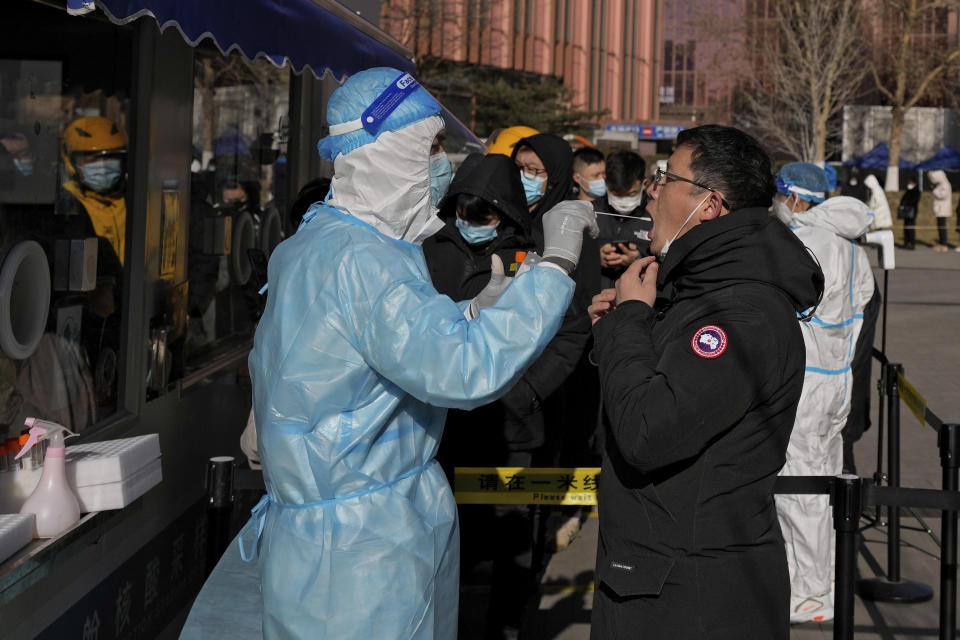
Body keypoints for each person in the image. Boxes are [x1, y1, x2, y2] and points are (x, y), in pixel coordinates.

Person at [242, 67, 598, 640]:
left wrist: (475, 312)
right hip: (363, 549)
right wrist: (555, 265)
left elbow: (322, 351)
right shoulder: (366, 262)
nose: (443, 163)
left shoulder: (320, 239)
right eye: (431, 146)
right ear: (385, 151)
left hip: (334, 532)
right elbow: (463, 370)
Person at [587, 125, 823, 640]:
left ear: (710, 205)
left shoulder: (742, 310)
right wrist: (625, 328)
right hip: (659, 580)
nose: (652, 191)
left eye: (666, 177)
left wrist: (630, 321)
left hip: (691, 596)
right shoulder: (701, 290)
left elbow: (648, 430)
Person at [422, 153, 544, 639]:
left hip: (508, 426)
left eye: (483, 214)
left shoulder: (528, 259)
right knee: (448, 541)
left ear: (507, 213)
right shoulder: (429, 250)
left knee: (511, 541)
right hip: (445, 426)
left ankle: (505, 629)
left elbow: (567, 333)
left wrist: (526, 390)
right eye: (463, 211)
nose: (469, 223)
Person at [773, 162, 875, 624]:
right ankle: (824, 582)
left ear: (793, 196)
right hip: (837, 383)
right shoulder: (854, 250)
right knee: (826, 485)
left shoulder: (803, 244)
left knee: (801, 493)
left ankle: (811, 597)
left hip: (806, 384)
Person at [594, 150, 652, 289]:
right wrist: (594, 257)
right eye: (617, 194)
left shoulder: (656, 215)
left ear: (644, 183)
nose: (623, 200)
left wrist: (639, 259)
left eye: (632, 193)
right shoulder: (590, 212)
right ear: (605, 181)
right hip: (594, 295)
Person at [929, 169, 952, 251]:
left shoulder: (945, 184)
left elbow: (942, 196)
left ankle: (944, 244)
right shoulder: (940, 184)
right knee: (940, 226)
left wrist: (934, 190)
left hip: (943, 209)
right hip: (939, 209)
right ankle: (942, 243)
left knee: (942, 227)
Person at [898, 177, 920, 249]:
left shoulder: (916, 191)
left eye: (910, 183)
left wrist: (906, 204)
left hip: (911, 212)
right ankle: (906, 243)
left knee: (911, 228)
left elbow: (914, 201)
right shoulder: (908, 190)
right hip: (905, 212)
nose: (909, 184)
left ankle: (912, 243)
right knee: (905, 228)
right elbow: (903, 199)